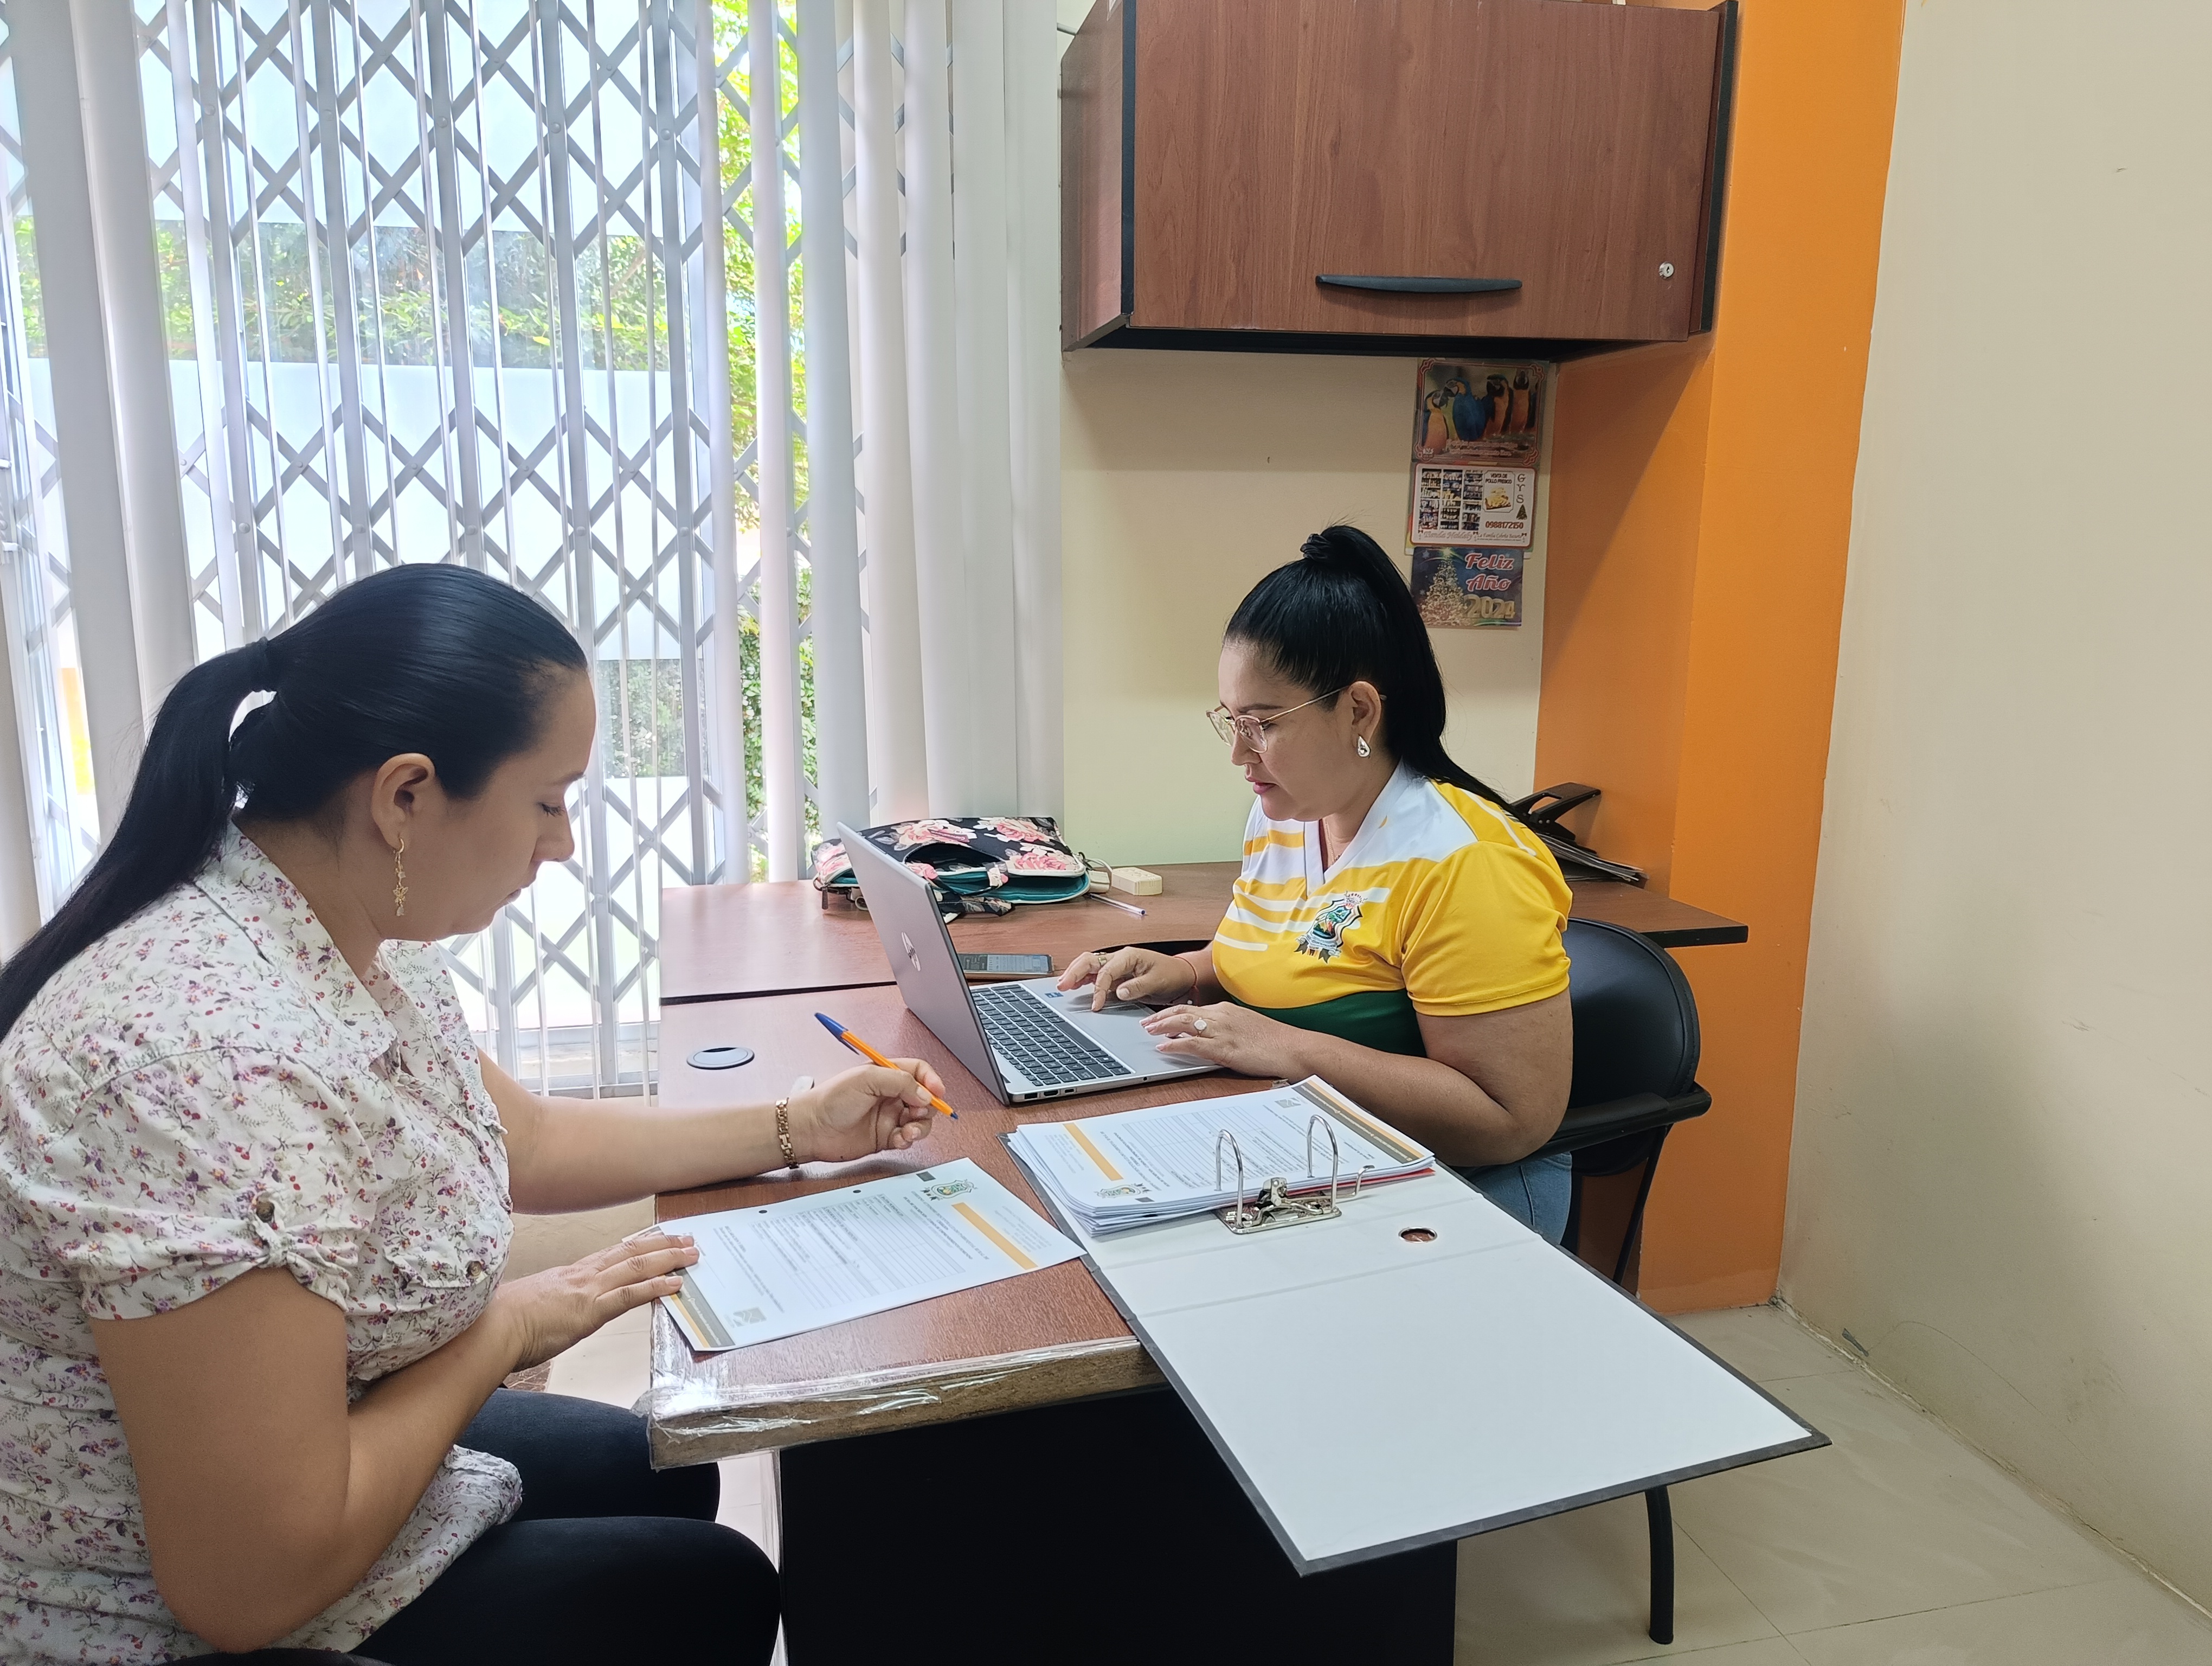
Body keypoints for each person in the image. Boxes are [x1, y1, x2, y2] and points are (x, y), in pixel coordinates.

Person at [0, 564, 946, 1666]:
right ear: (405, 796)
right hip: (156, 1602)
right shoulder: (213, 1065)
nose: (565, 843)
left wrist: (798, 1127)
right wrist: (504, 1330)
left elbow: (522, 1140)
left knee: (664, 1467)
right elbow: (248, 1585)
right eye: (548, 801)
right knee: (711, 1588)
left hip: (324, 1427)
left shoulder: (334, 927)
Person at [1058, 526, 1574, 1239]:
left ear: (1358, 710)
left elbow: (1510, 1121)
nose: (1239, 755)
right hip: (1307, 1148)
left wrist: (1288, 1049)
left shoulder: (1465, 862)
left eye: (1262, 725)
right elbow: (1290, 959)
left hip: (1455, 1190)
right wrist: (1187, 973)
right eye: (1231, 722)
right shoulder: (1287, 814)